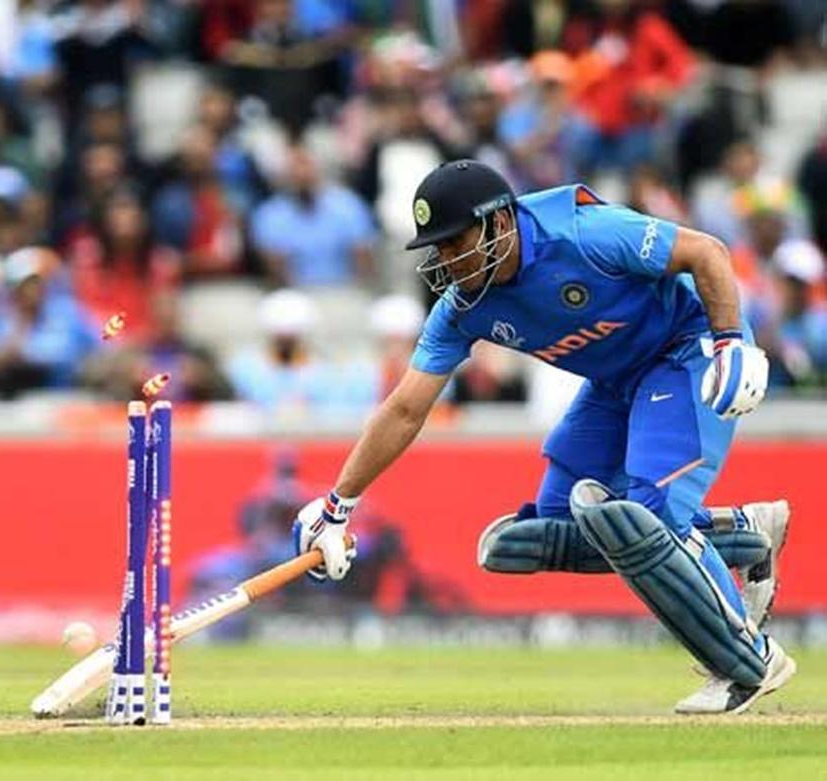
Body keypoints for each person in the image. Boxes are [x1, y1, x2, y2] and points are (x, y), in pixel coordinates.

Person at [292, 159, 796, 715]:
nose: (445, 261)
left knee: (648, 514)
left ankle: (747, 660)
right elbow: (406, 408)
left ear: (498, 223)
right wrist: (339, 505)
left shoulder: (582, 233)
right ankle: (747, 534)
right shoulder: (463, 308)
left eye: (452, 242)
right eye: (436, 250)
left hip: (686, 349)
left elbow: (706, 251)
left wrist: (730, 343)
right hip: (615, 379)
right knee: (546, 532)